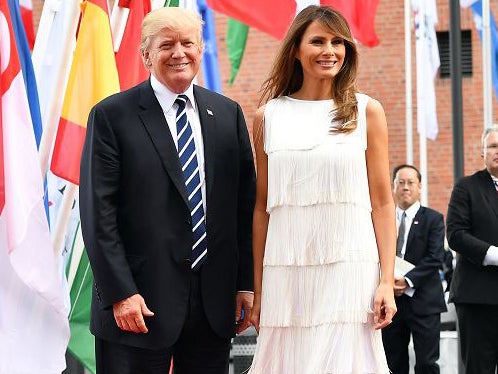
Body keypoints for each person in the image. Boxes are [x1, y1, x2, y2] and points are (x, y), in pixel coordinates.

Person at [79, 7, 256, 374]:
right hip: (136, 306)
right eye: (167, 44)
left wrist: (246, 285)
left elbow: (243, 207)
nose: (179, 53)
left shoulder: (227, 114)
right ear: (146, 54)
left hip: (213, 304)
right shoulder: (112, 116)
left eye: (187, 43)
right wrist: (120, 293)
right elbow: (99, 214)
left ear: (200, 48)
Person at [248, 5, 397, 373]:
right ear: (296, 49)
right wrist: (259, 290)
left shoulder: (367, 112)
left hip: (351, 268)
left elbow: (382, 203)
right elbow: (262, 208)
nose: (329, 50)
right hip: (286, 270)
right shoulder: (268, 117)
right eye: (317, 41)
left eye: (338, 42)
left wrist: (386, 281)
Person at [382, 164, 446, 374]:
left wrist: (406, 281)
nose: (405, 187)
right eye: (401, 182)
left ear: (420, 187)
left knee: (427, 363)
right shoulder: (383, 220)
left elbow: (435, 257)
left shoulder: (434, 219)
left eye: (411, 183)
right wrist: (388, 282)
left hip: (424, 302)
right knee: (392, 362)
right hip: (391, 303)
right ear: (393, 187)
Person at [446, 125, 498, 374]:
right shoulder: (466, 187)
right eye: (493, 146)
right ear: (482, 152)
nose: (497, 151)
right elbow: (456, 235)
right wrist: (494, 254)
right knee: (478, 369)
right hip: (478, 298)